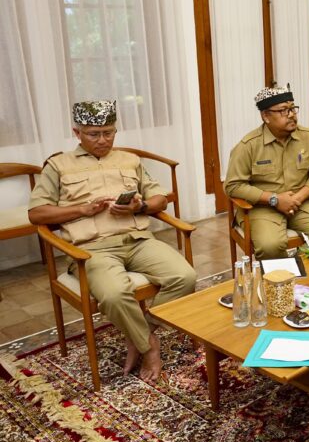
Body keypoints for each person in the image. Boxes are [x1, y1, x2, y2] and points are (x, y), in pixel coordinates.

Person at [28, 100, 197, 382]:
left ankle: (140, 333)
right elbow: (36, 214)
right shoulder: (58, 166)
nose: (103, 140)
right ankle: (149, 347)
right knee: (115, 294)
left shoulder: (129, 160)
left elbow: (160, 199)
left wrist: (140, 207)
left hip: (138, 240)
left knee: (185, 276)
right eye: (94, 134)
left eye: (109, 133)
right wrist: (81, 210)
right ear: (77, 132)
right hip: (91, 250)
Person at [224, 84, 309, 259]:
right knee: (270, 246)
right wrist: (275, 199)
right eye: (283, 110)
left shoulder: (308, 137)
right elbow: (233, 186)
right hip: (262, 208)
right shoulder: (248, 146)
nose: (291, 114)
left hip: (302, 203)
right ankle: (281, 274)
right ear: (266, 116)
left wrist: (297, 198)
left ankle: (298, 267)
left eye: (292, 108)